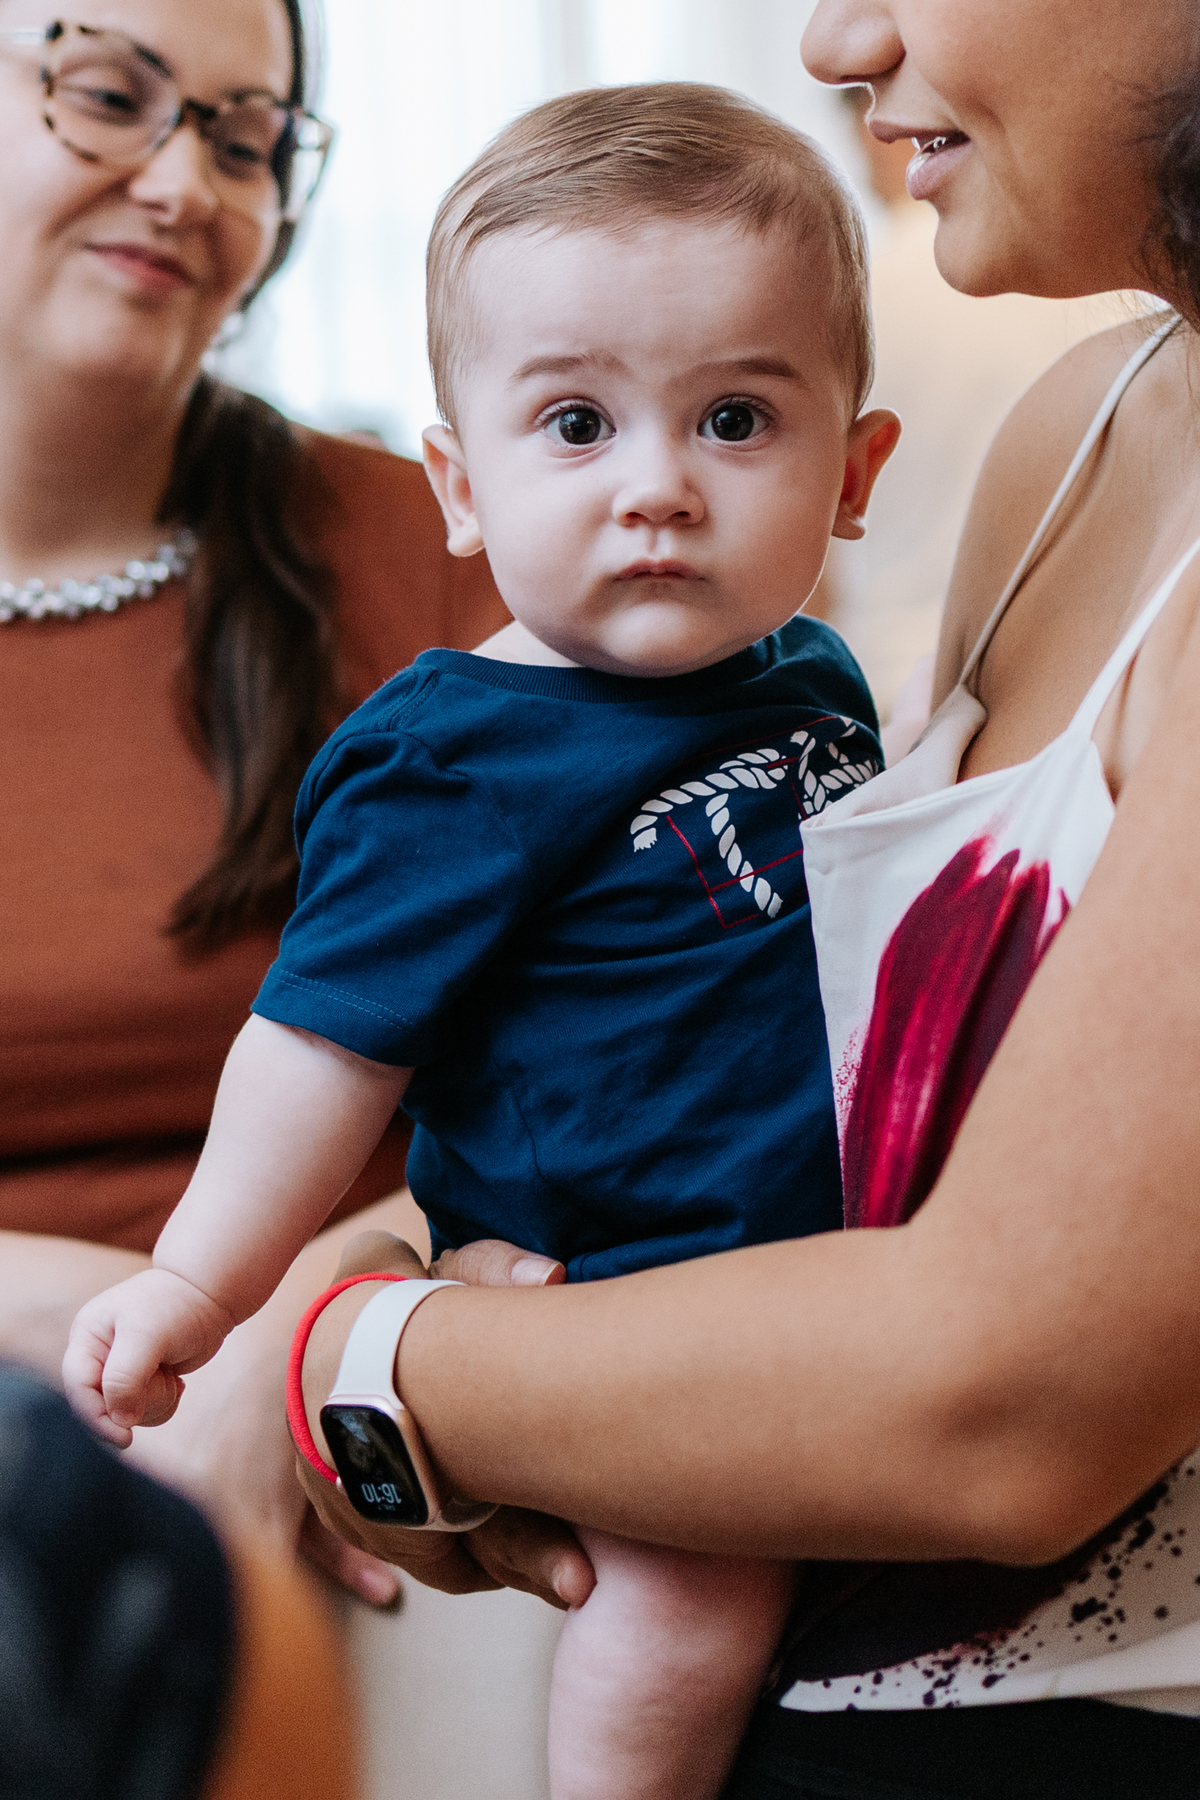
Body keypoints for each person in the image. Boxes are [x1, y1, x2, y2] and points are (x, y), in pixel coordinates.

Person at [270, 2, 1200, 1795]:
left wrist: (369, 1357)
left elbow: (998, 1407)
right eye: (571, 423)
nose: (837, 35)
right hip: (798, 1652)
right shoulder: (1083, 425)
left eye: (732, 418)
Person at [65, 84, 900, 1800]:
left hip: (840, 1261)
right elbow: (323, 1038)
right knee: (687, 1610)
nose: (658, 487)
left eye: (736, 418)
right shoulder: (455, 752)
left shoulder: (817, 677)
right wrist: (201, 1284)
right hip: (619, 1291)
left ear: (857, 466)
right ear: (462, 481)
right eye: (577, 426)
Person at [0, 0, 510, 1783]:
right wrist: (115, 1333)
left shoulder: (442, 544)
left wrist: (296, 1331)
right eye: (107, 93)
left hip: (398, 1406)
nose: (181, 180)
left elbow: (629, 1064)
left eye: (242, 136)